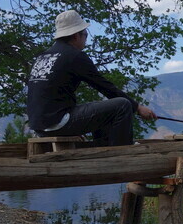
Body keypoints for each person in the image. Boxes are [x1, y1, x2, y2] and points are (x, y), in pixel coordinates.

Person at [27, 10, 157, 147]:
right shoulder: (75, 56)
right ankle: (122, 151)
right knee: (122, 105)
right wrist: (137, 107)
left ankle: (103, 147)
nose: (85, 39)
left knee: (101, 108)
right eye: (85, 35)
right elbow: (105, 87)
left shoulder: (43, 56)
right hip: (57, 122)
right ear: (76, 35)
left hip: (39, 125)